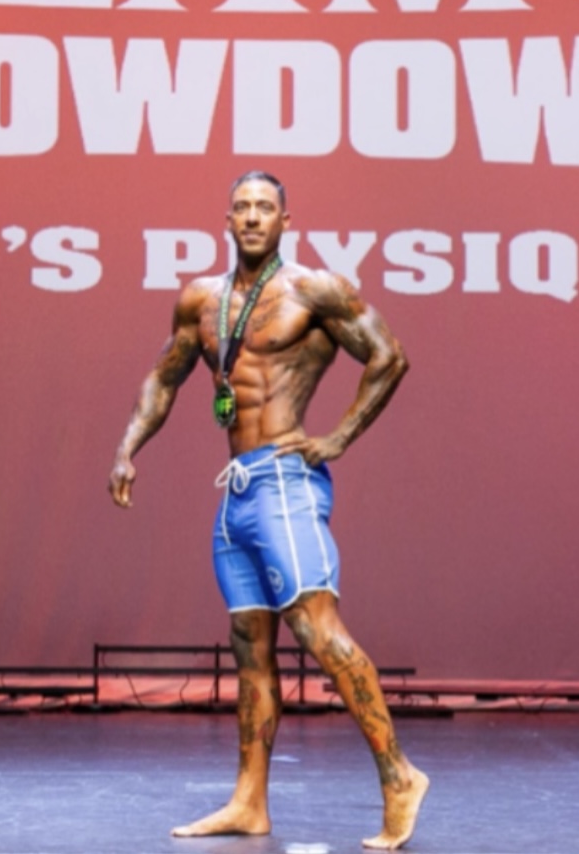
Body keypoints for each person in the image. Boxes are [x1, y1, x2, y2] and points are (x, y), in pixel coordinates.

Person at [108, 171, 429, 850]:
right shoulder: (203, 300)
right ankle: (250, 802)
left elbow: (389, 356)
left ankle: (399, 775)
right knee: (250, 648)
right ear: (227, 220)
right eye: (242, 208)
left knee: (318, 631)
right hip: (238, 490)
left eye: (265, 208)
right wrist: (128, 447)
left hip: (285, 482)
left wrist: (338, 437)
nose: (253, 217)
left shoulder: (314, 289)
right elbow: (164, 377)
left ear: (286, 221)